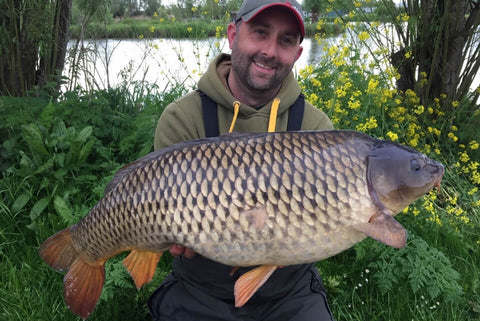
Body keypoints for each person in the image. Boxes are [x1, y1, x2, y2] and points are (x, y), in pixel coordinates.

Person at [148, 0, 335, 320]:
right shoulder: (183, 117)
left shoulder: (316, 129)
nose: (270, 51)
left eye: (286, 40)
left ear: (298, 54)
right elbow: (155, 202)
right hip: (201, 287)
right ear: (233, 34)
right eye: (260, 32)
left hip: (289, 291)